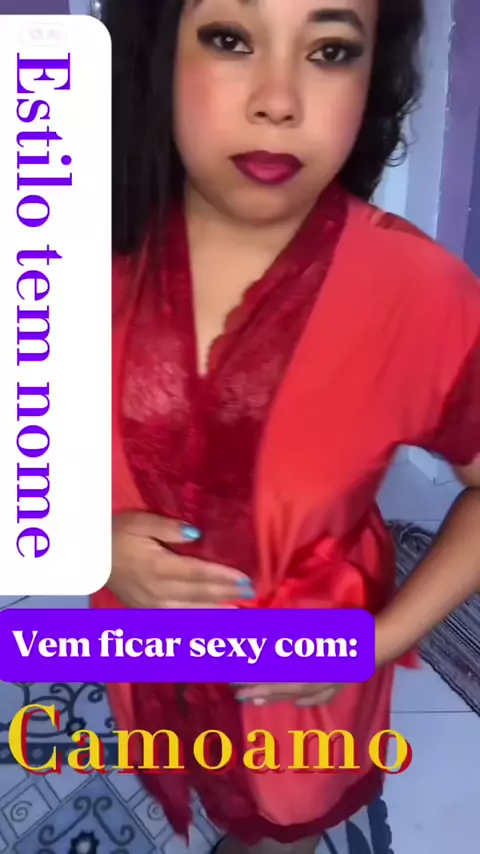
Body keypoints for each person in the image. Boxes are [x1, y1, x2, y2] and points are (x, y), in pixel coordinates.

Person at [93, 0, 480, 852]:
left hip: (305, 698)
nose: (279, 100)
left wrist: (378, 641)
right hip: (139, 648)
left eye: (330, 50)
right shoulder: (63, 263)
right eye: (230, 39)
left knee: (280, 834)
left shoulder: (419, 293)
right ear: (159, 54)